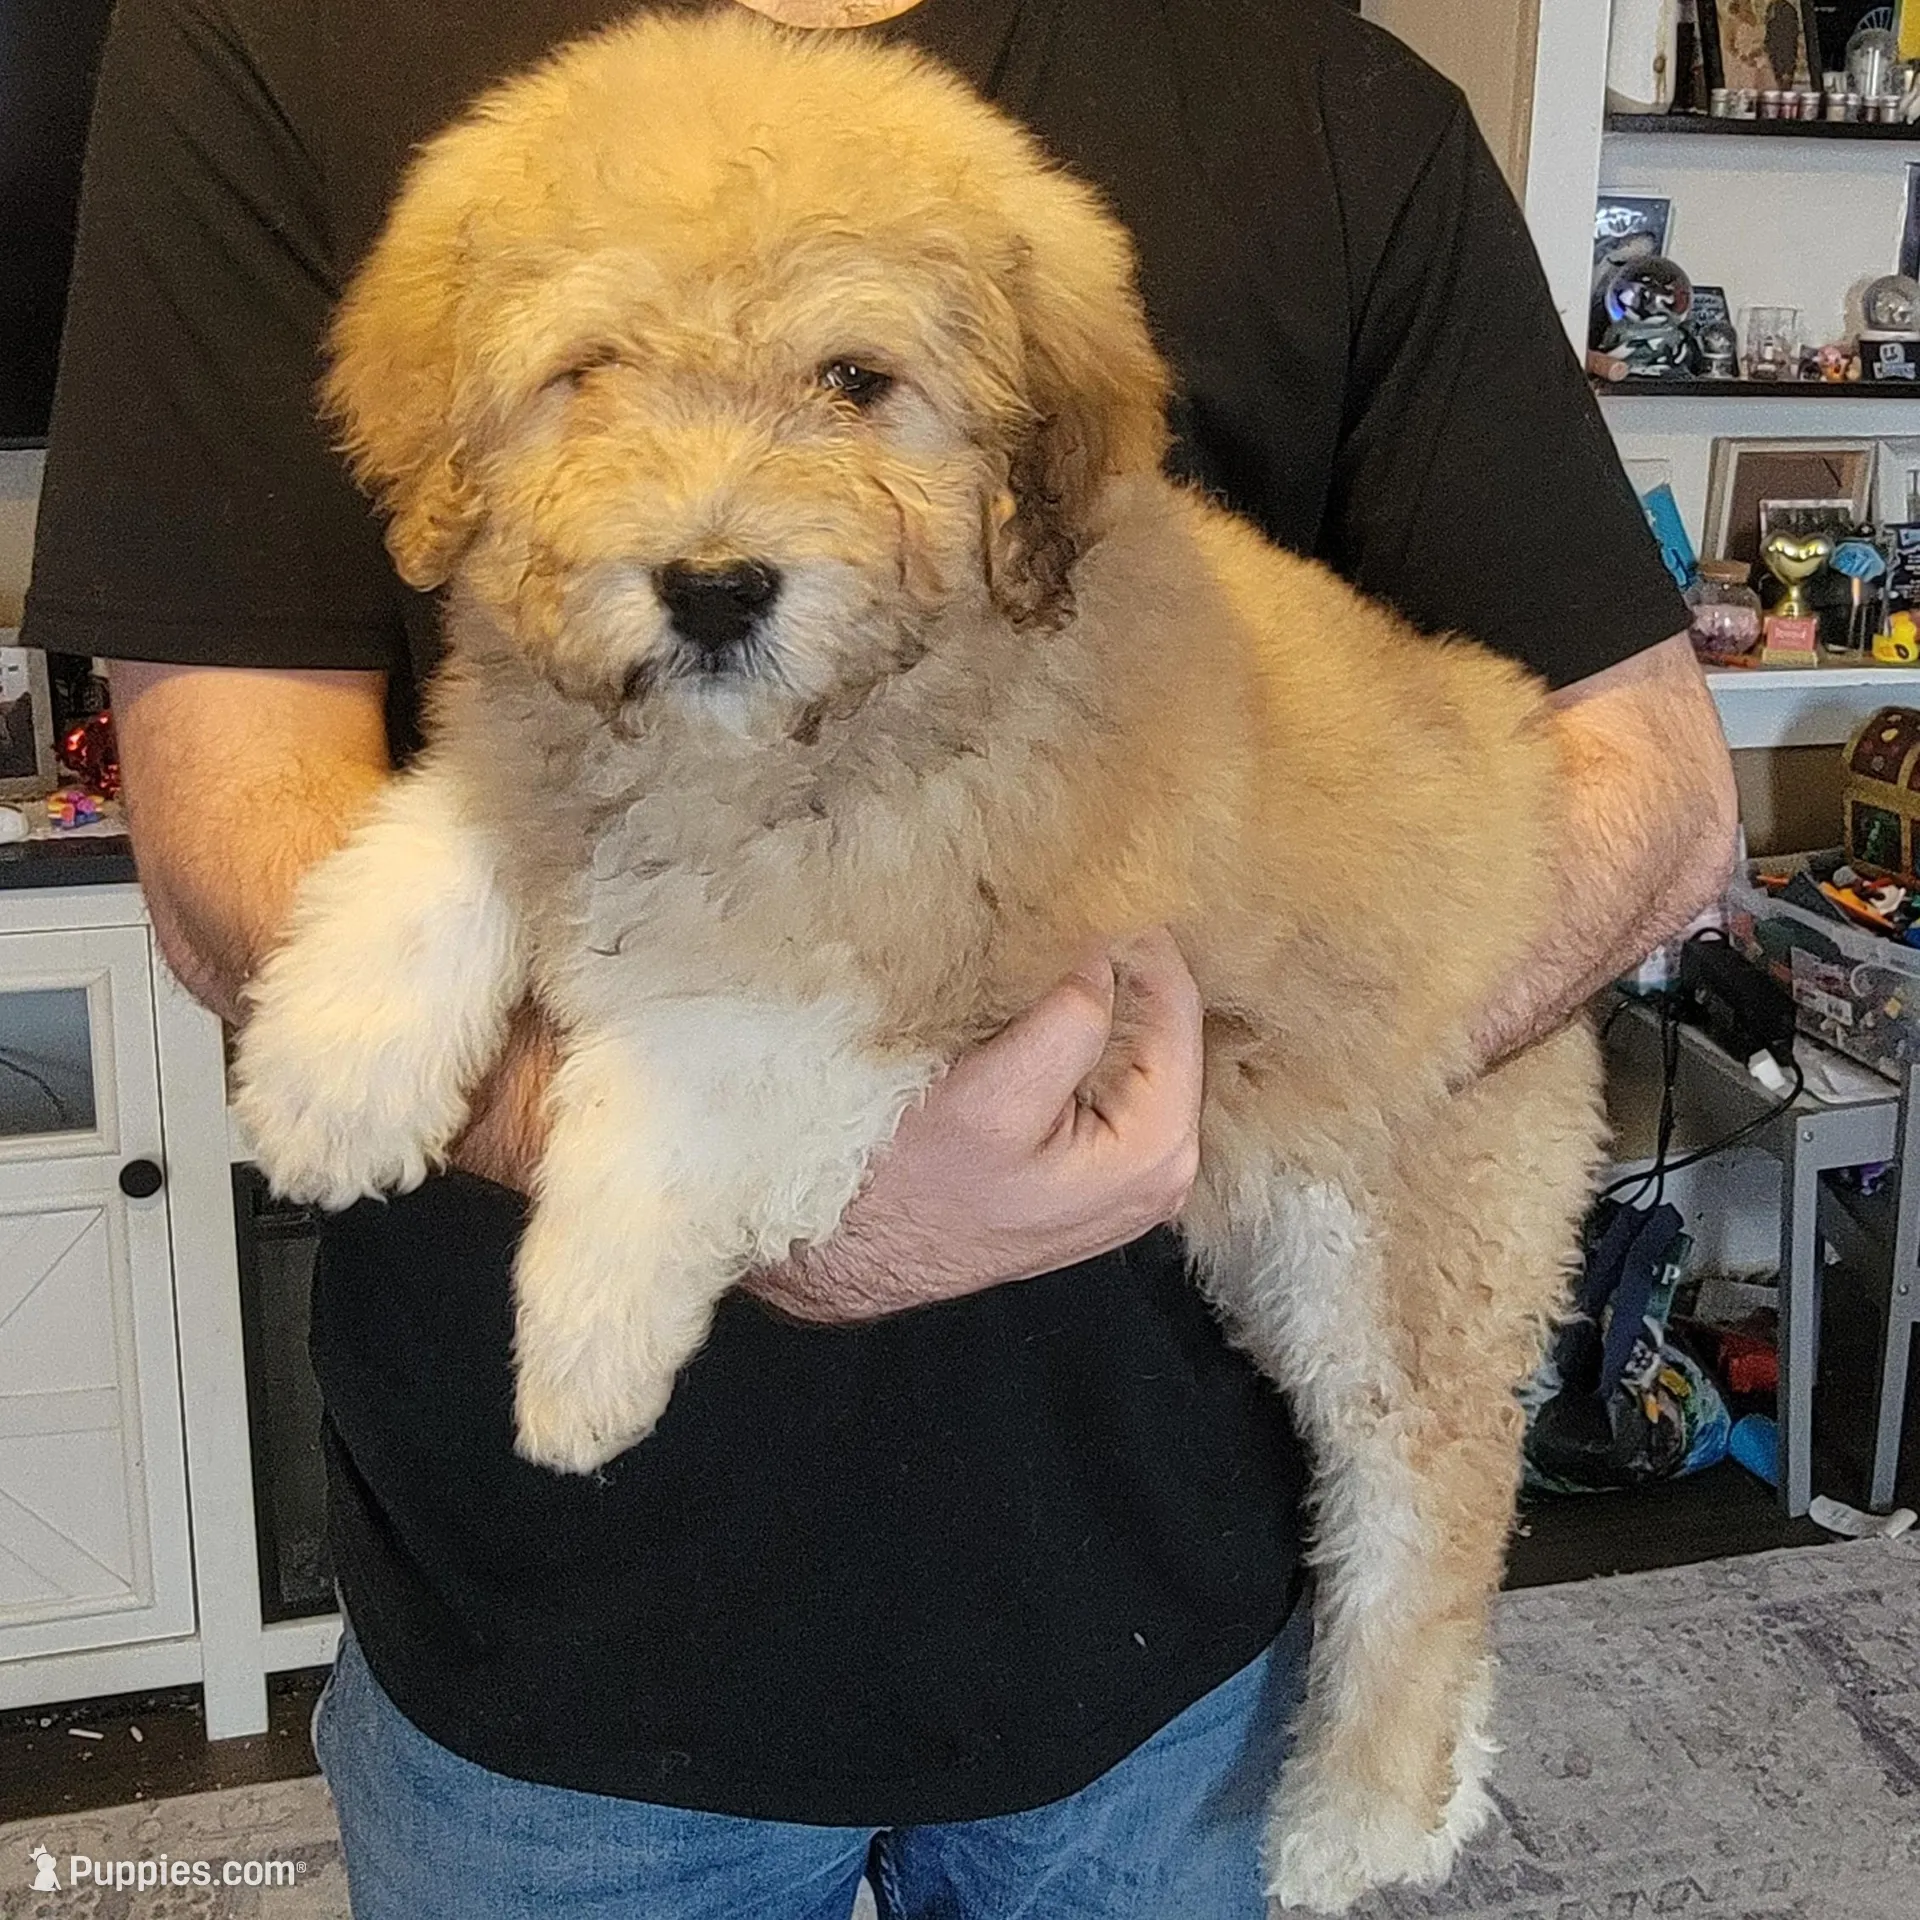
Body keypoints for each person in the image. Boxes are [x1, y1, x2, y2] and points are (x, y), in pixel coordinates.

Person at [23, 0, 1738, 1913]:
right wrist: (690, 1166)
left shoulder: (1324, 96)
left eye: (851, 382)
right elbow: (224, 850)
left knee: (1409, 1420)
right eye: (591, 373)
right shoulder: (268, 46)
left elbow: (1649, 798)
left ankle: (1406, 1723)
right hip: (555, 1663)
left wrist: (1302, 1063)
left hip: (1159, 1638)